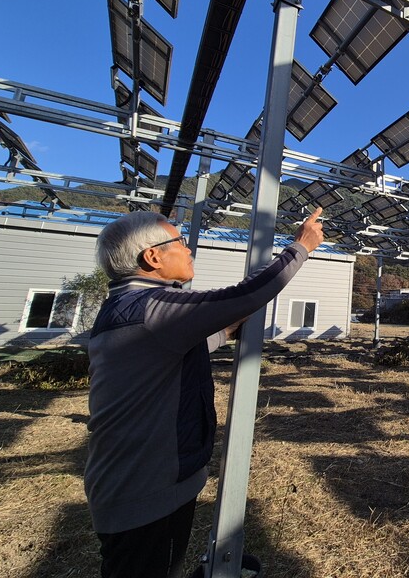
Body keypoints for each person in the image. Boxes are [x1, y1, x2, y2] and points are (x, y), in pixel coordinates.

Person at [84, 207, 324, 578]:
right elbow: (246, 294)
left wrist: (228, 330)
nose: (189, 249)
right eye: (180, 242)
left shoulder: (128, 307)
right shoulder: (151, 306)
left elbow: (187, 347)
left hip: (140, 481)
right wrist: (301, 246)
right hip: (145, 487)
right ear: (152, 257)